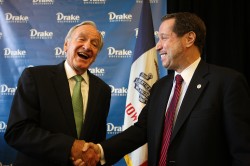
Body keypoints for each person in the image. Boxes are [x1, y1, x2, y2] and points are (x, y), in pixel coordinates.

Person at [77, 12, 250, 166]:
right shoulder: (160, 87)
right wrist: (100, 151)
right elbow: (140, 131)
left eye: (164, 38)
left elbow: (242, 151)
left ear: (189, 39)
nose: (158, 46)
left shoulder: (227, 83)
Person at [4, 21, 111, 166]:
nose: (87, 46)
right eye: (82, 39)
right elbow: (17, 132)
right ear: (66, 45)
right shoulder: (35, 77)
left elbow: (97, 141)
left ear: (96, 53)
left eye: (95, 44)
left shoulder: (103, 90)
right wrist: (69, 148)